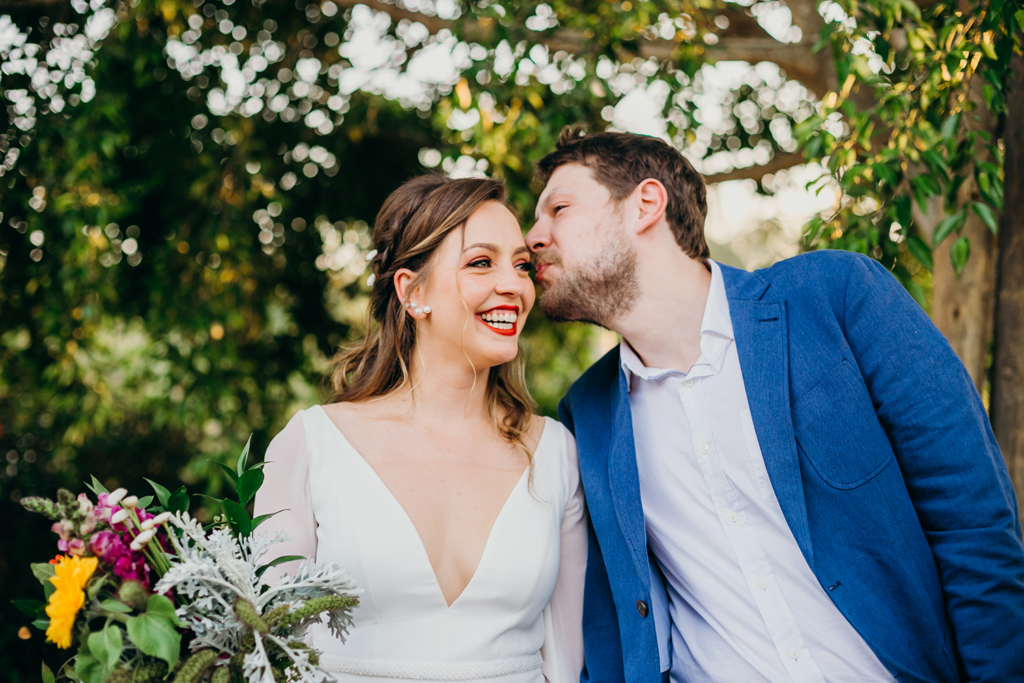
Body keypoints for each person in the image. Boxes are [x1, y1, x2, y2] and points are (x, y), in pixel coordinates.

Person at [525, 128, 1024, 683]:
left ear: (646, 203)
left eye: (559, 209)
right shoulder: (586, 414)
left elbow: (974, 531)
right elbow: (609, 619)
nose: (532, 237)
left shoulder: (835, 297)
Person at [254, 175, 586, 683]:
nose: (515, 285)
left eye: (521, 265)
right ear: (412, 292)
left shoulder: (556, 454)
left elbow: (565, 662)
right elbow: (273, 653)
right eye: (481, 262)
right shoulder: (310, 447)